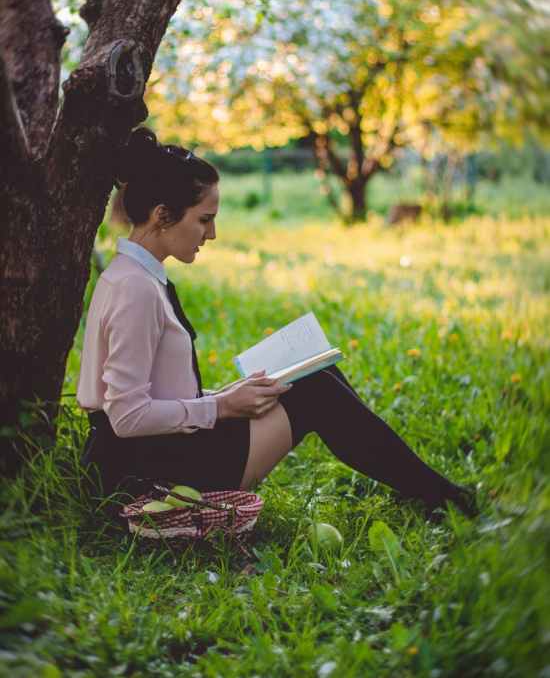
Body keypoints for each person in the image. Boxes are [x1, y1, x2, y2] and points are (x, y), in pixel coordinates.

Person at [77, 127, 476, 518]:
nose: (211, 234)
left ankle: (428, 490)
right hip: (153, 471)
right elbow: (126, 417)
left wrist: (231, 394)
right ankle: (441, 496)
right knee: (318, 390)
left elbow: (153, 392)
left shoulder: (133, 275)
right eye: (204, 220)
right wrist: (221, 406)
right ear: (163, 216)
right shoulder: (135, 289)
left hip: (164, 449)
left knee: (316, 372)